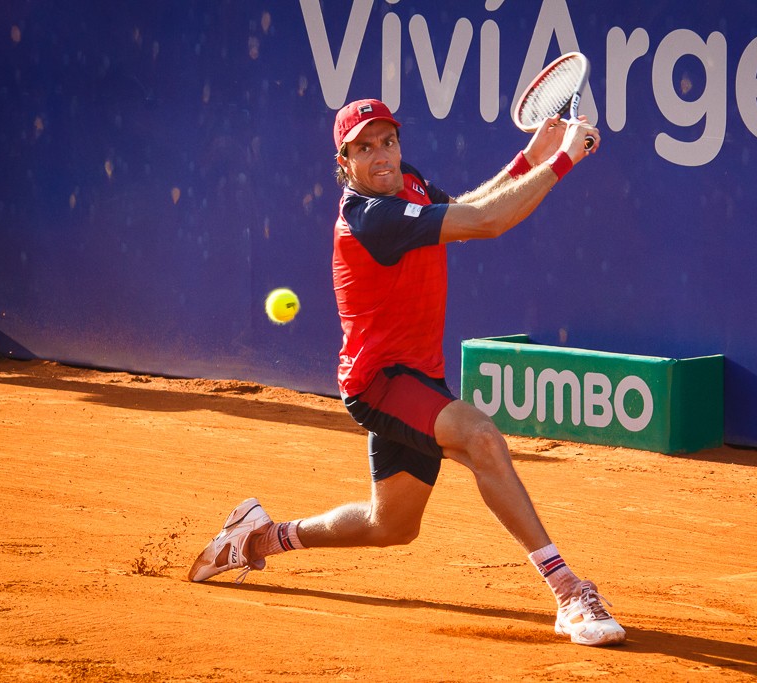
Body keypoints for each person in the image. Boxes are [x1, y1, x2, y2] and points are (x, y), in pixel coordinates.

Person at [188, 98, 625, 647]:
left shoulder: (408, 184)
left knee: (391, 525)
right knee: (481, 438)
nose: (381, 157)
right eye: (364, 149)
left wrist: (529, 157)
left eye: (388, 142)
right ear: (343, 162)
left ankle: (257, 538)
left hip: (419, 378)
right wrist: (562, 160)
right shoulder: (370, 218)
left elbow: (463, 213)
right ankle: (567, 591)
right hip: (382, 382)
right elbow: (487, 223)